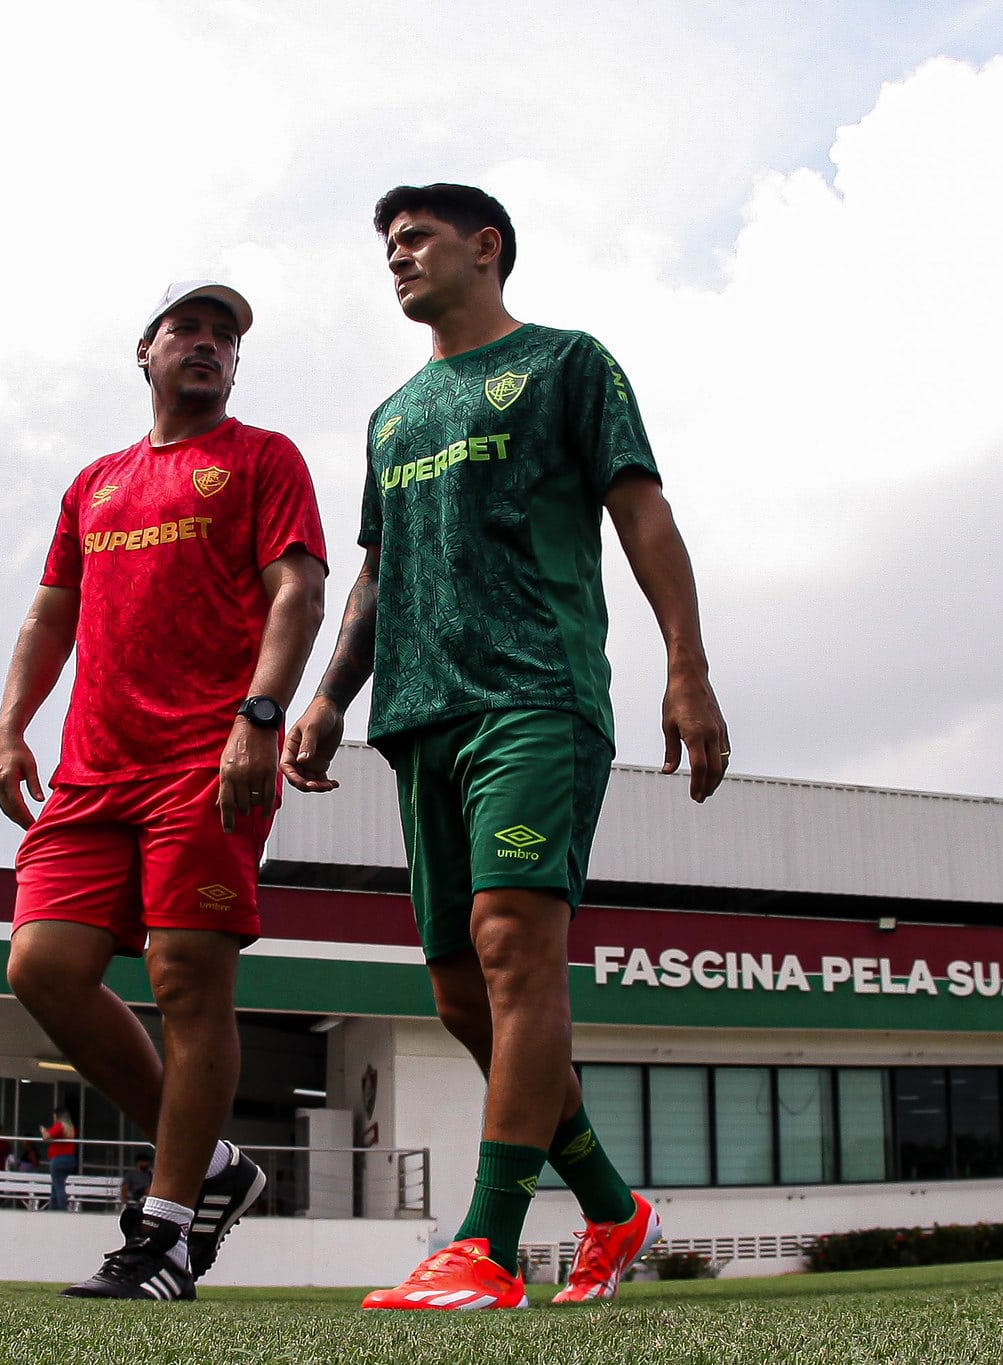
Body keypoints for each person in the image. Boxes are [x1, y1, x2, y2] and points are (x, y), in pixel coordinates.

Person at [282, 184, 728, 1312]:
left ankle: (484, 1246)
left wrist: (687, 664)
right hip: (417, 720)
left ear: (485, 249)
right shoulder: (391, 415)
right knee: (456, 994)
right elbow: (377, 574)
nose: (398, 258)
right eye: (386, 245)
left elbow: (644, 515)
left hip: (535, 696)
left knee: (513, 952)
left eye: (418, 238)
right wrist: (331, 696)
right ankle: (615, 1209)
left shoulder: (570, 363)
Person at [0, 280, 329, 1300]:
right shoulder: (93, 483)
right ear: (143, 353)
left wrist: (259, 719)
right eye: (188, 329)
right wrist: (11, 723)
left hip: (208, 758)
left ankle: (168, 1234)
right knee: (41, 968)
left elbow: (299, 591)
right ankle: (216, 1166)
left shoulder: (264, 459)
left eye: (226, 338)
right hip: (95, 768)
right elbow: (50, 614)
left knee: (187, 978)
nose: (209, 346)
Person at [41, 1109, 78, 1210]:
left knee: (59, 1185)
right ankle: (52, 1209)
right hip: (69, 1159)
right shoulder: (70, 1128)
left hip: (58, 1160)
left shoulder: (59, 1126)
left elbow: (46, 1136)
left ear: (57, 1116)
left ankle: (63, 1210)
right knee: (56, 1185)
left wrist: (43, 1130)